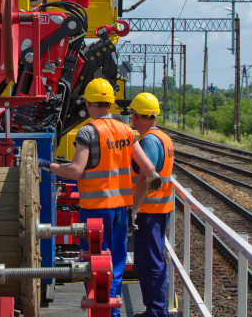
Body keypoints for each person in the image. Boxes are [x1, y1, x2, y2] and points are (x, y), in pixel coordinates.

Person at [38, 79, 156, 317]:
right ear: (111, 102)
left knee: (94, 267)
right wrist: (135, 206)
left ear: (89, 104)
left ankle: (103, 313)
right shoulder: (126, 131)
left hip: (95, 211)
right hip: (122, 209)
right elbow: (149, 170)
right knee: (116, 262)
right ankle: (114, 310)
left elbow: (75, 171)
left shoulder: (87, 132)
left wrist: (46, 165)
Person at [128, 92, 174, 317]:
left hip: (149, 212)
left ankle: (156, 312)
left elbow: (146, 177)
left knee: (149, 263)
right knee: (154, 261)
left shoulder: (149, 141)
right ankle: (156, 309)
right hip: (160, 209)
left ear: (136, 116)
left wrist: (134, 209)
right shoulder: (163, 137)